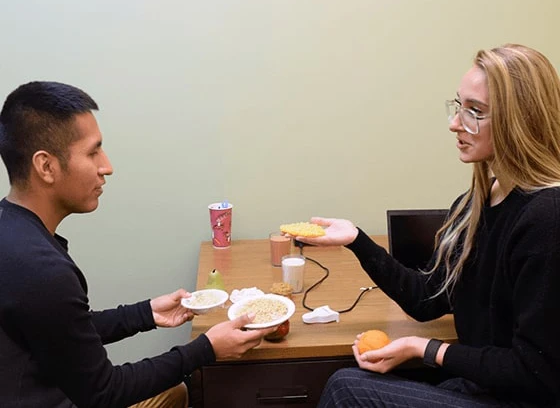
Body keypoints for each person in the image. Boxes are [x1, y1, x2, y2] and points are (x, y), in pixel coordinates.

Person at [298, 44, 560, 407]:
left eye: (475, 112)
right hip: (479, 386)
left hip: (521, 399)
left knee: (347, 390)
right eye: (459, 106)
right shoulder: (477, 203)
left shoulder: (547, 218)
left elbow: (537, 373)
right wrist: (356, 239)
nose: (455, 123)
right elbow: (427, 299)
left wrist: (425, 348)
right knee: (353, 377)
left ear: (520, 120)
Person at [0, 81, 275, 407]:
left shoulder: (13, 231)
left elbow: (66, 331)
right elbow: (104, 392)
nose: (107, 166)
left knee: (175, 393)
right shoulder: (43, 270)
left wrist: (145, 314)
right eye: (93, 152)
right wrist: (206, 349)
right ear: (46, 166)